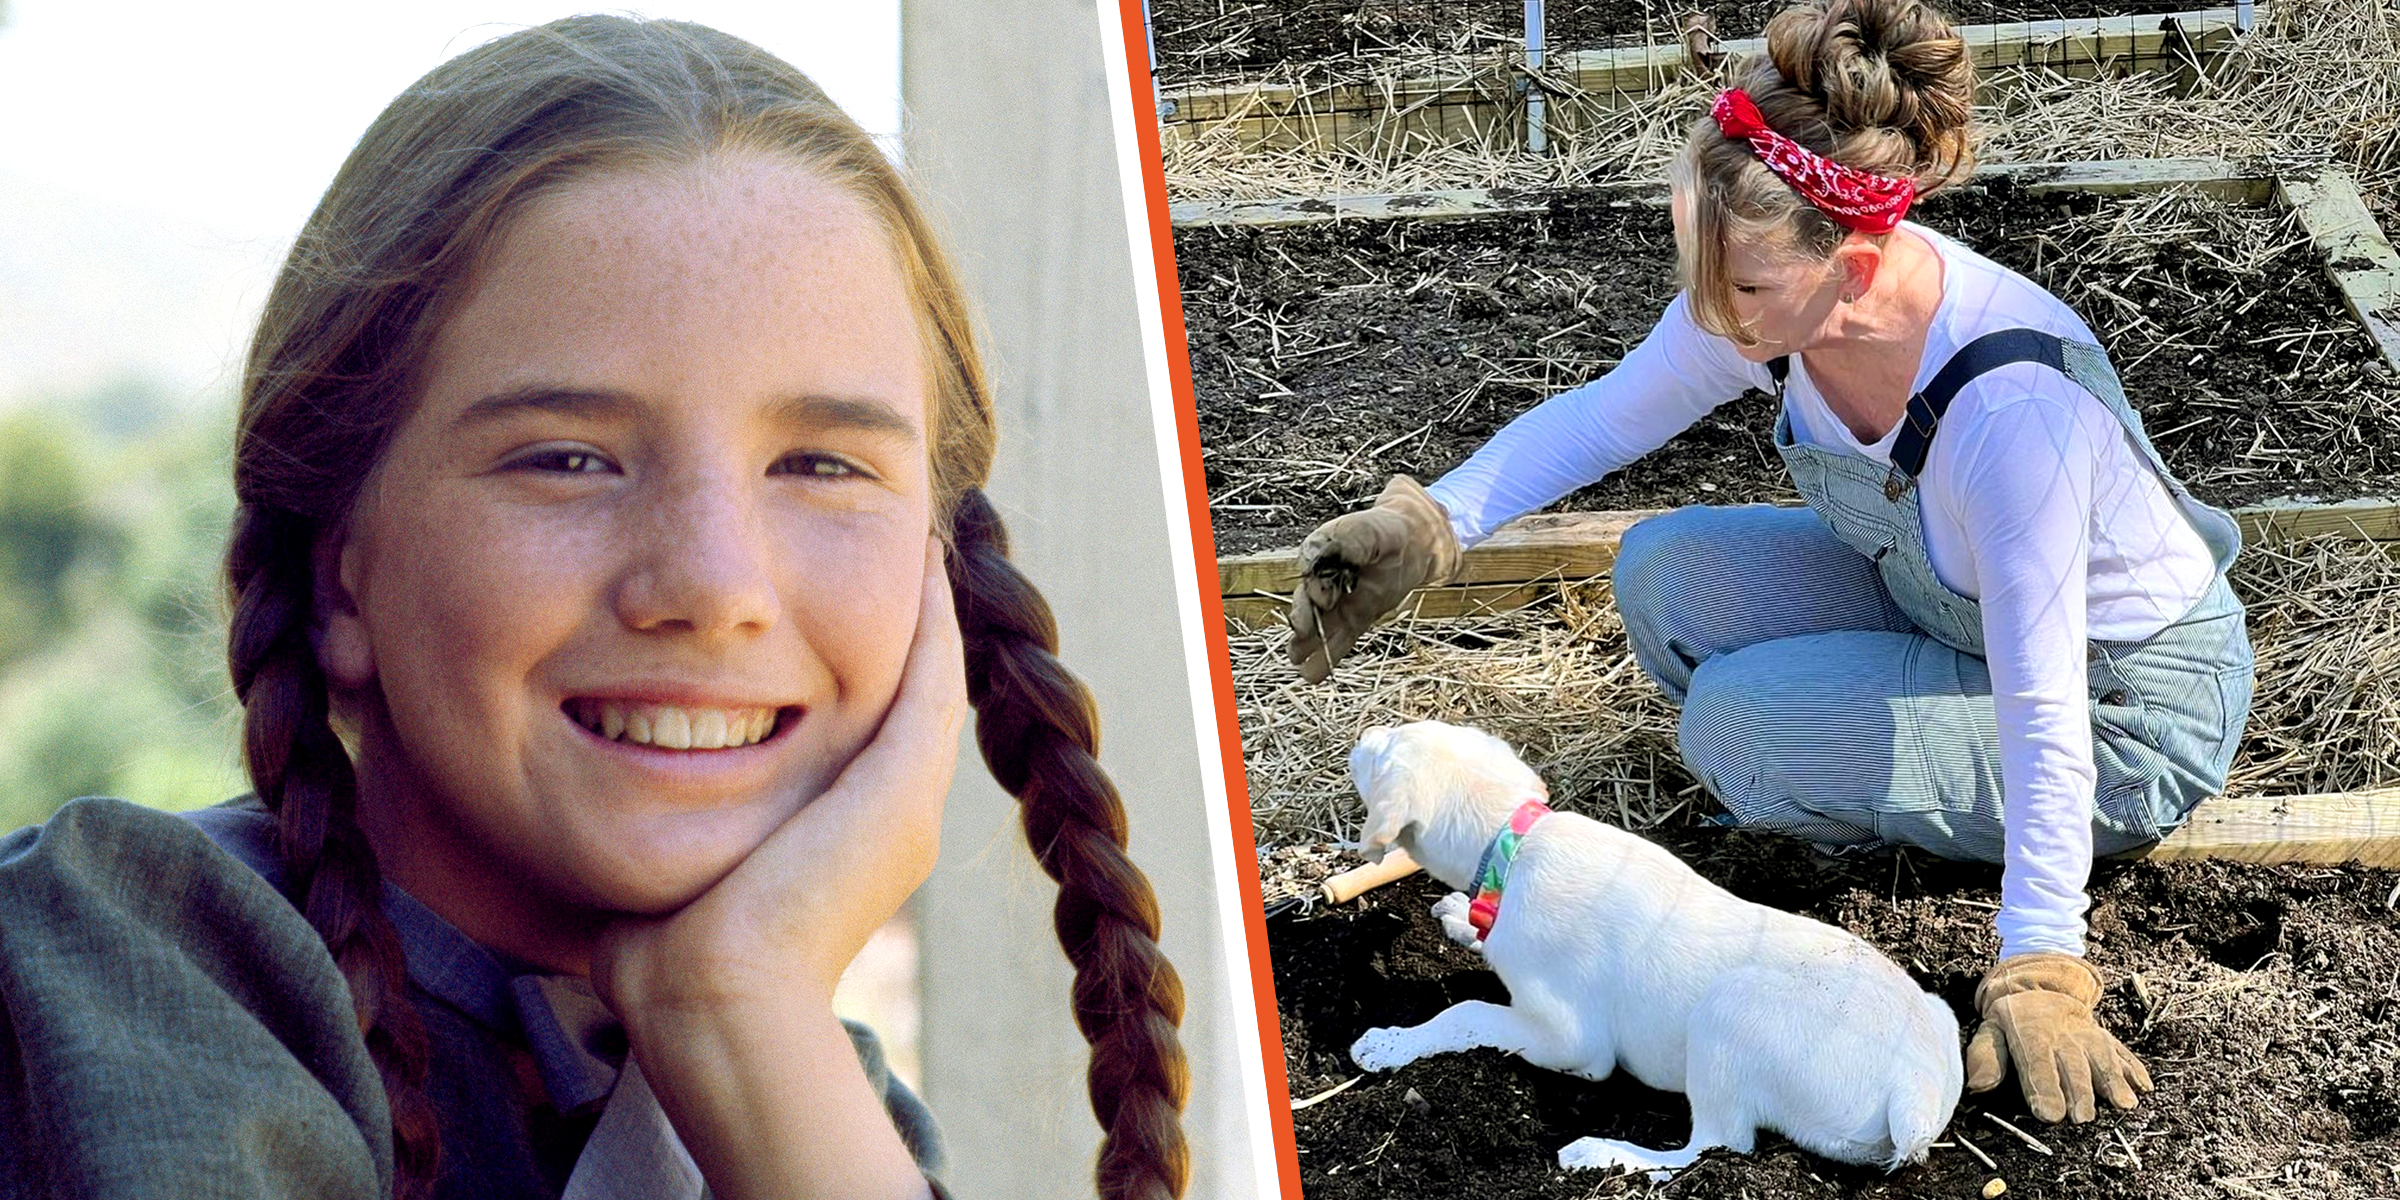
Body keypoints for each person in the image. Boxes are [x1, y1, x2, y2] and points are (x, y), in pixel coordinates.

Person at [0, 17, 1187, 1200]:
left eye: (822, 466)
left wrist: (740, 1016)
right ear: (336, 573)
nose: (714, 587)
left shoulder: (808, 1095)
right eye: (568, 460)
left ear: (940, 575)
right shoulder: (110, 971)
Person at [1287, 0, 2252, 1130]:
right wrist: (1431, 526)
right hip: (1942, 603)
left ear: (1853, 268)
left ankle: (1831, 764)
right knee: (1661, 574)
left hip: (2121, 705)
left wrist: (2041, 960)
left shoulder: (2008, 415)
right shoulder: (1766, 293)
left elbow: (2047, 705)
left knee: (1740, 726)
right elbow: (1604, 416)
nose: (1713, 314)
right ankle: (1851, 741)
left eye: (1741, 289)